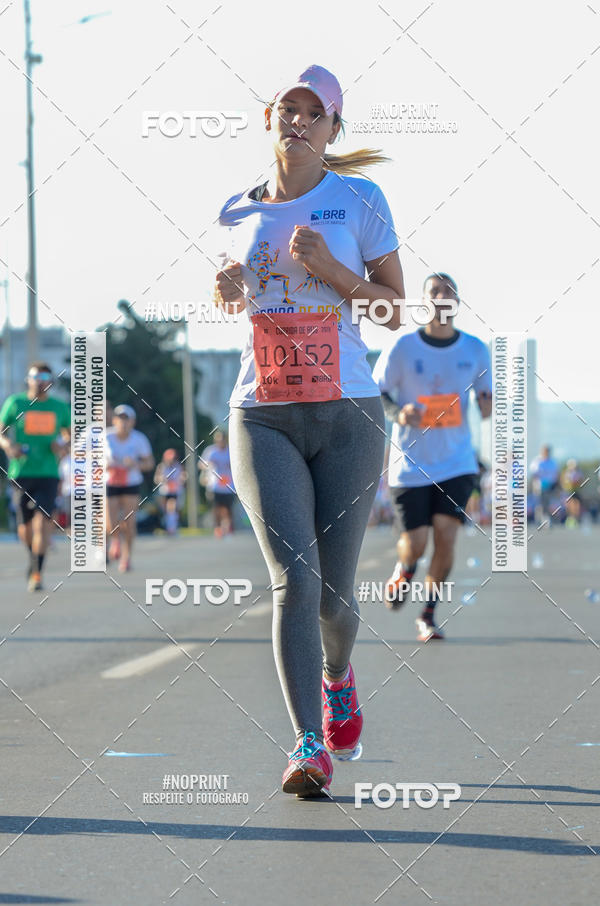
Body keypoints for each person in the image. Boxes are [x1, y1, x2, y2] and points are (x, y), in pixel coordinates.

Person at [214, 64, 404, 797]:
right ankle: (306, 745)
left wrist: (334, 272)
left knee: (335, 599)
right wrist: (226, 290)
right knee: (296, 580)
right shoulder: (236, 209)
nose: (297, 121)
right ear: (269, 120)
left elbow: (393, 308)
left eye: (312, 113)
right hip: (260, 412)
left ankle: (338, 675)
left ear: (332, 129)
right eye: (286, 110)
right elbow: (235, 297)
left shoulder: (359, 200)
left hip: (350, 413)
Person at [373, 273, 492, 641]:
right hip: (410, 463)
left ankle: (428, 614)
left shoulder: (474, 349)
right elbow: (377, 394)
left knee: (446, 537)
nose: (442, 297)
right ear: (425, 301)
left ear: (456, 302)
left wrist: (487, 404)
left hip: (457, 461)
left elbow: (486, 404)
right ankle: (405, 567)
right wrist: (399, 414)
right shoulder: (403, 347)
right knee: (418, 543)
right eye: (435, 291)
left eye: (449, 292)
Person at [0, 362, 70, 591]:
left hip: (48, 473)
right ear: (28, 379)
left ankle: (37, 573)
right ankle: (33, 556)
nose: (40, 381)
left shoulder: (59, 407)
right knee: (25, 529)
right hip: (21, 472)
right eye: (36, 376)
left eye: (45, 376)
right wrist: (9, 446)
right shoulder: (16, 403)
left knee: (42, 523)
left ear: (50, 381)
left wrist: (62, 446)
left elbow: (71, 436)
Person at [105, 404, 154, 571]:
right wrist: (103, 465)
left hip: (131, 482)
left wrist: (136, 464)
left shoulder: (139, 439)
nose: (123, 423)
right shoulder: (106, 437)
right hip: (110, 482)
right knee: (111, 523)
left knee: (129, 522)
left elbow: (149, 463)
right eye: (120, 419)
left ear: (133, 422)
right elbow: (90, 459)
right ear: (114, 420)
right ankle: (115, 540)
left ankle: (126, 558)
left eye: (127, 419)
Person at [199, 431, 236, 537]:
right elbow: (201, 464)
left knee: (228, 508)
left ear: (225, 440)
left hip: (229, 486)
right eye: (218, 440)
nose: (220, 442)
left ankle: (229, 527)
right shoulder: (211, 451)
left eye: (222, 440)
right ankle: (218, 527)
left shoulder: (231, 451)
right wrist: (208, 464)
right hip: (214, 485)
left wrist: (231, 466)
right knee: (217, 507)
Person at [154, 448, 186, 535]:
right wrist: (162, 479)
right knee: (166, 510)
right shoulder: (161, 467)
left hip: (175, 491)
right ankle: (169, 525)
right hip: (165, 491)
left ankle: (172, 527)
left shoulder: (178, 466)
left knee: (172, 508)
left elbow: (183, 477)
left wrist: (181, 479)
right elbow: (156, 479)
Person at [530, 444, 560, 525]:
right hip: (539, 486)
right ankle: (538, 519)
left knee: (547, 503)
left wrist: (555, 485)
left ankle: (546, 519)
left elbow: (556, 474)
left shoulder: (553, 462)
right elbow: (534, 473)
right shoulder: (537, 461)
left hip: (550, 486)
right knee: (539, 503)